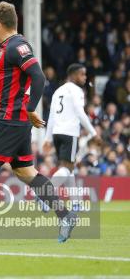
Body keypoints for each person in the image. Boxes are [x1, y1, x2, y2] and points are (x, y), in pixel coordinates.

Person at [0, 1, 77, 244]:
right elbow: (7, 79)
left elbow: (38, 77)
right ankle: (66, 214)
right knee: (25, 172)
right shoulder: (7, 48)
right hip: (15, 122)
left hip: (8, 121)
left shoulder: (16, 46)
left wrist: (30, 109)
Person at [43, 63, 97, 210]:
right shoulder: (77, 91)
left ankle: (75, 203)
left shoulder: (57, 91)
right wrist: (93, 132)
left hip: (57, 133)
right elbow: (80, 113)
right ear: (72, 75)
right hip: (69, 133)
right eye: (82, 74)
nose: (85, 78)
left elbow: (52, 117)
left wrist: (47, 139)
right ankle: (45, 194)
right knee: (66, 168)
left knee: (69, 168)